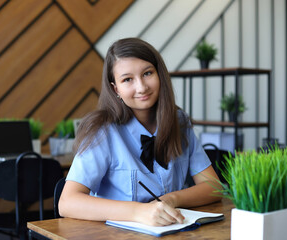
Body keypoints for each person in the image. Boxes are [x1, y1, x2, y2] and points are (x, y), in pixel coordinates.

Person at [59, 38, 222, 226]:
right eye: (127, 79)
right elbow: (67, 202)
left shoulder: (179, 122)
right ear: (116, 89)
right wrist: (139, 212)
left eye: (147, 73)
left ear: (159, 74)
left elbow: (214, 187)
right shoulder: (102, 130)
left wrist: (170, 200)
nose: (141, 87)